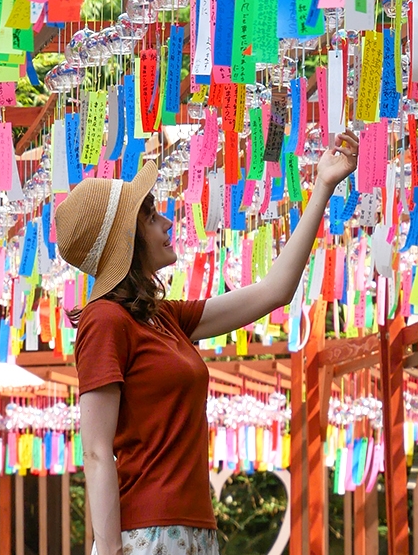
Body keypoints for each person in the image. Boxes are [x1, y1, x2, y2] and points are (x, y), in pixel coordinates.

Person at [55, 132, 359, 555]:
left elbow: (275, 290)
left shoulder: (164, 317)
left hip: (194, 530)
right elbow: (95, 450)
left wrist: (323, 186)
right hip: (147, 535)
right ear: (125, 240)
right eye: (149, 217)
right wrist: (107, 550)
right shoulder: (105, 320)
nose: (166, 223)